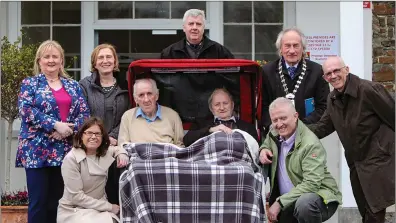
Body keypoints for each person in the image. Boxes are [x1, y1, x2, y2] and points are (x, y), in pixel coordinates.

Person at [308, 56, 395, 223]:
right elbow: (323, 127)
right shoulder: (333, 99)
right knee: (365, 211)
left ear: (346, 70)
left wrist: (386, 148)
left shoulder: (369, 90)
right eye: (329, 73)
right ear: (325, 78)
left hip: (377, 160)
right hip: (356, 162)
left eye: (337, 71)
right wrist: (294, 131)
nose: (333, 76)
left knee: (374, 212)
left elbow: (393, 117)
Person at [17, 40, 90, 223]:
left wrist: (66, 130)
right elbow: (26, 110)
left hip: (64, 150)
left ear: (61, 60)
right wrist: (55, 125)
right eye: (46, 56)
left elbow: (84, 113)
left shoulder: (73, 86)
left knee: (58, 202)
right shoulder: (30, 84)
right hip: (36, 150)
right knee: (38, 201)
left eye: (55, 56)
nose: (51, 60)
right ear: (39, 60)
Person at [259, 97, 342, 223]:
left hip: (320, 197)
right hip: (288, 200)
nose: (279, 124)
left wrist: (279, 203)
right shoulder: (273, 133)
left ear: (295, 116)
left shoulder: (310, 143)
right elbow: (267, 142)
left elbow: (311, 184)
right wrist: (263, 150)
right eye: (275, 120)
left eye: (283, 118)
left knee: (304, 205)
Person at [79, 43, 130, 205]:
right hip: (90, 147)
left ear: (115, 62)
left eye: (109, 57)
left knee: (114, 195)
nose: (105, 61)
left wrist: (112, 137)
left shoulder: (126, 86)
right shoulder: (84, 85)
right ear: (94, 63)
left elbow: (128, 117)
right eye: (100, 57)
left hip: (116, 147)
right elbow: (82, 115)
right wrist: (99, 138)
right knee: (92, 196)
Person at [57, 117, 129, 223]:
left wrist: (122, 153)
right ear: (81, 135)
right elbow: (76, 197)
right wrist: (109, 207)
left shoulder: (103, 152)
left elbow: (116, 149)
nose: (93, 137)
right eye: (89, 133)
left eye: (97, 134)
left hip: (99, 208)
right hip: (74, 209)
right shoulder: (71, 159)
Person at [261, 27, 329, 136]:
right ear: (280, 49)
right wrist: (276, 127)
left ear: (303, 48)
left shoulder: (317, 71)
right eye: (287, 46)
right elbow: (262, 106)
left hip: (307, 133)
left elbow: (323, 106)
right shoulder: (266, 72)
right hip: (276, 133)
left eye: (296, 46)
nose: (292, 51)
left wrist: (300, 127)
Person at [118, 78, 184, 147]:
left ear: (157, 96)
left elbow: (180, 146)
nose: (146, 100)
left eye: (149, 94)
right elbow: (122, 146)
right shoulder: (127, 117)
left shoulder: (173, 116)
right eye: (141, 95)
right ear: (135, 99)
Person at [183, 88, 258, 146]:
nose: (222, 108)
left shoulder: (248, 127)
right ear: (211, 108)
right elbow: (187, 141)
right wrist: (211, 130)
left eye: (225, 103)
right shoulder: (200, 123)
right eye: (217, 104)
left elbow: (255, 148)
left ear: (232, 105)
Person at [161, 9, 234, 59]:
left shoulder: (220, 51)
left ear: (204, 27)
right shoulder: (169, 53)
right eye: (191, 24)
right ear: (184, 28)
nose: (194, 27)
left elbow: (232, 76)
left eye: (198, 24)